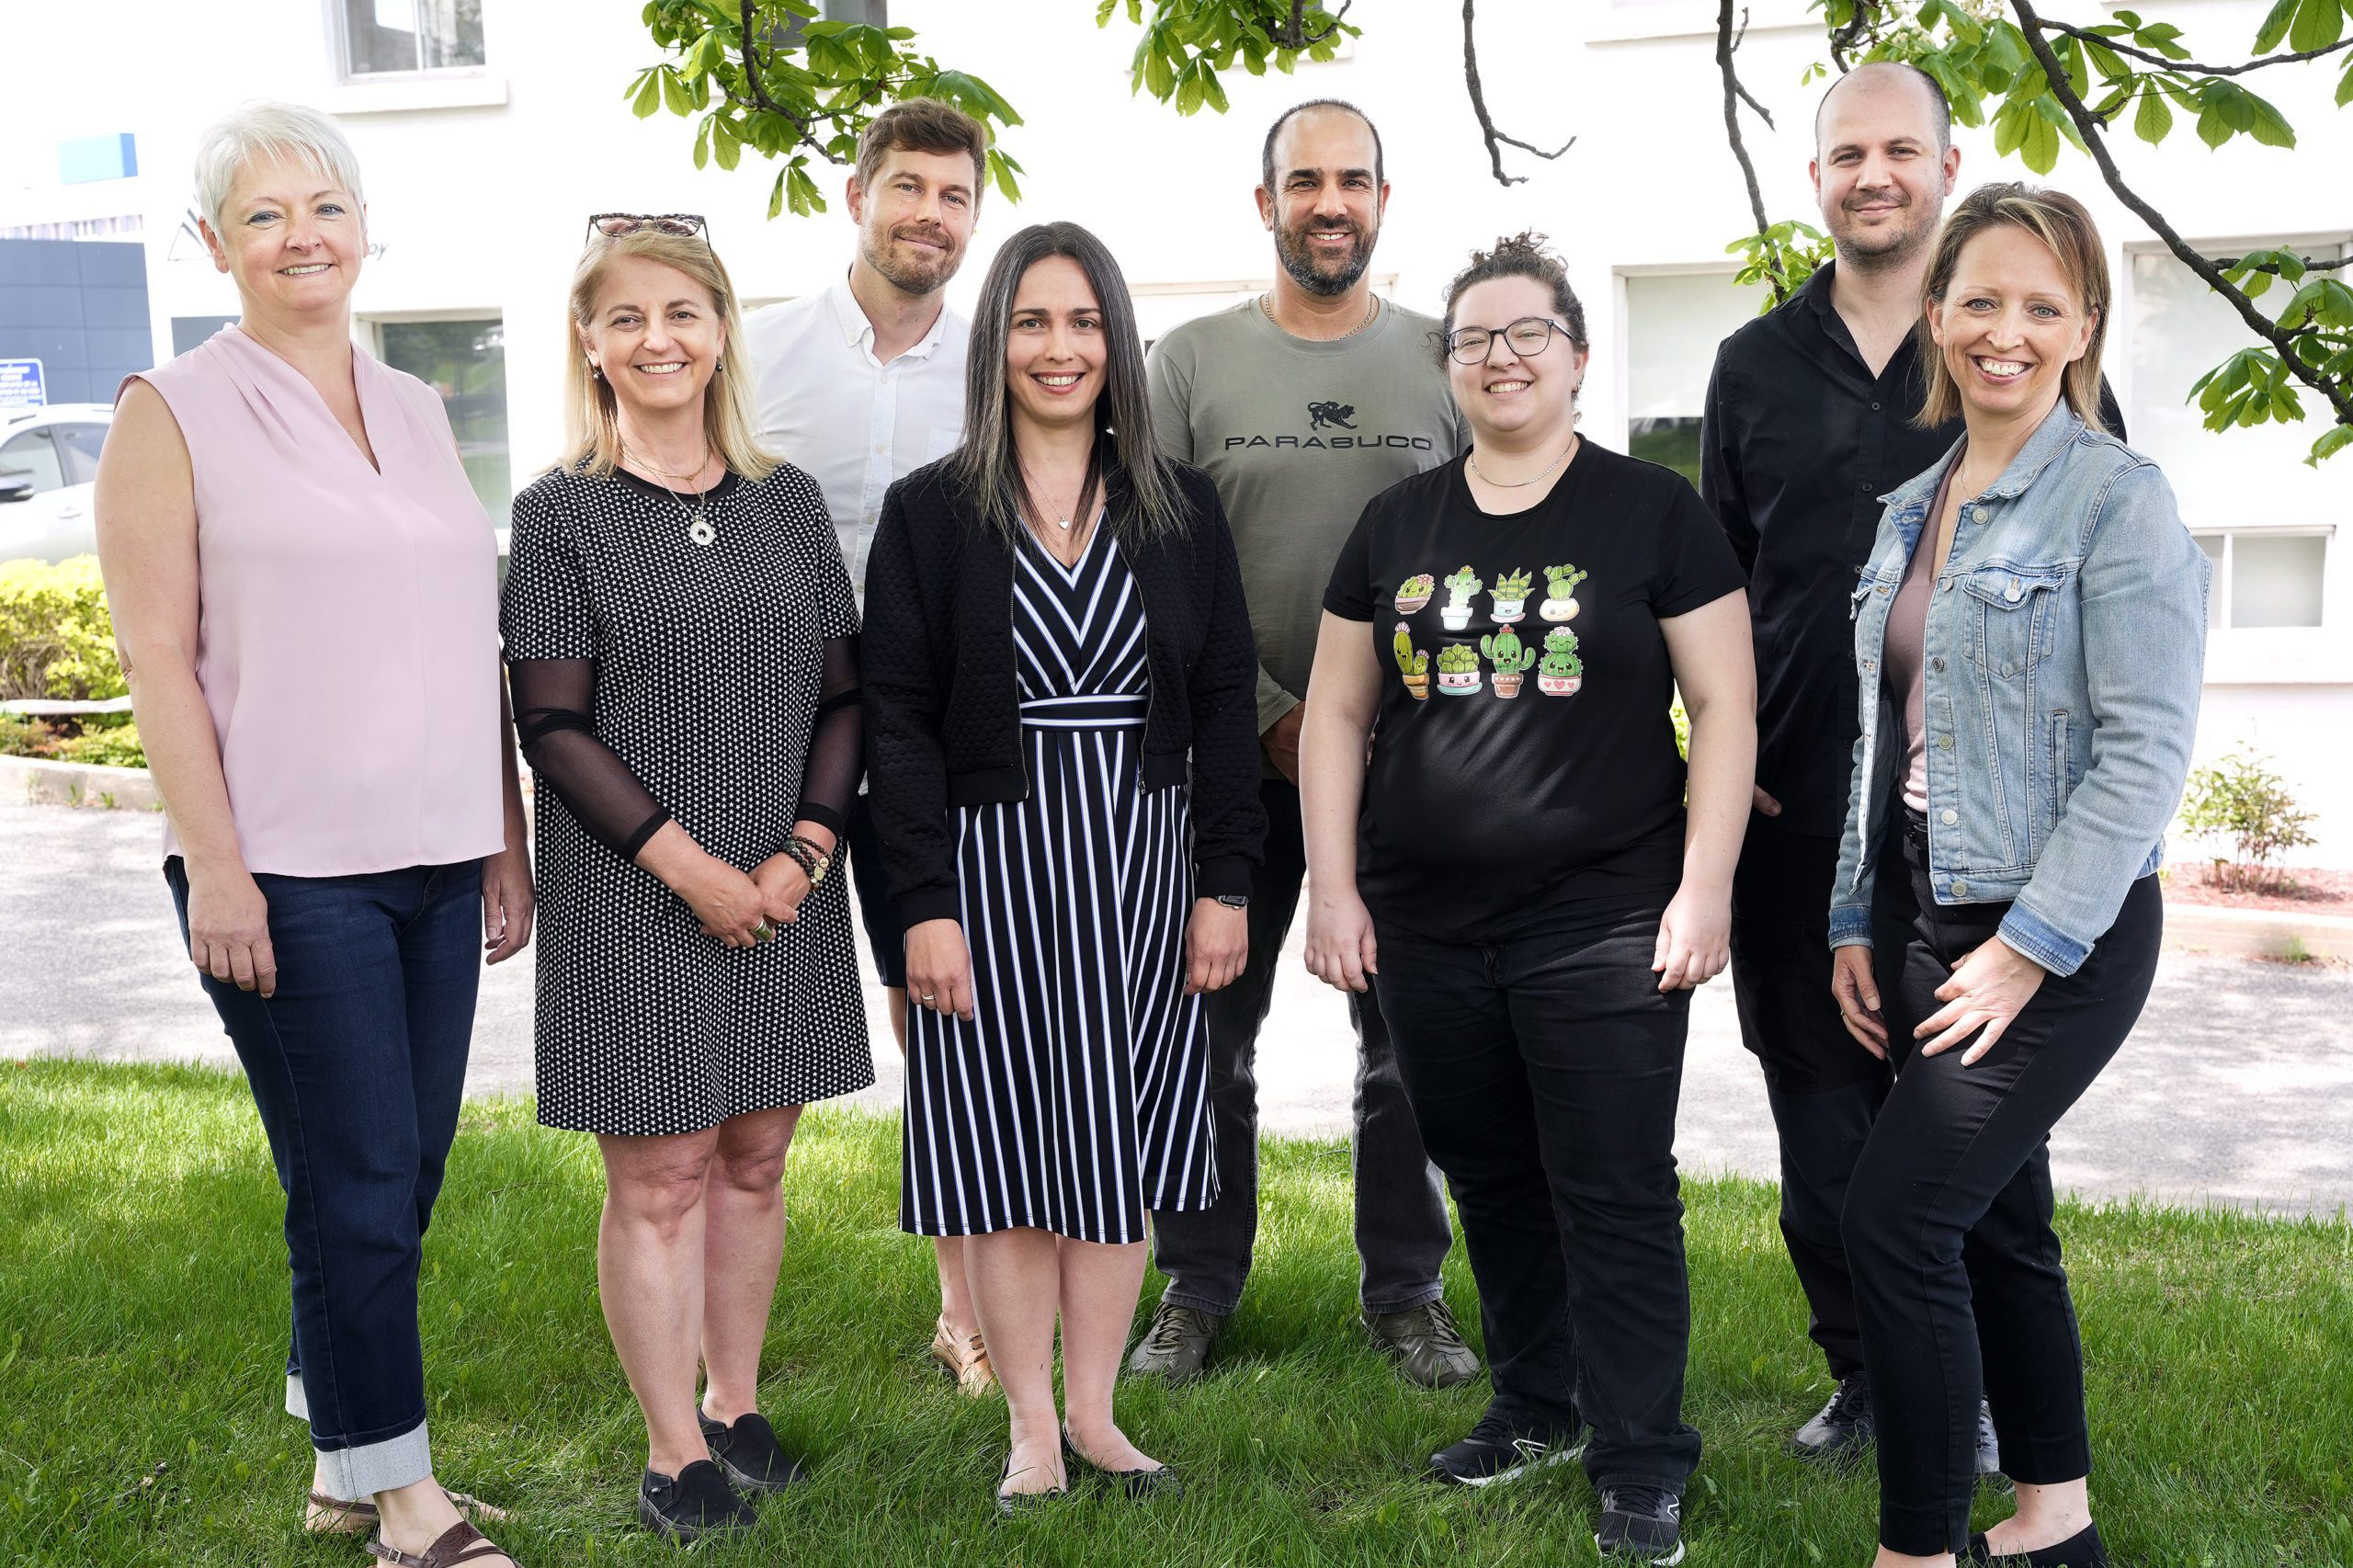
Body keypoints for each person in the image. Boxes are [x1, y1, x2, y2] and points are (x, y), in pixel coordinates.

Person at [93, 102, 529, 1568]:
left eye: (325, 207)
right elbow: (159, 657)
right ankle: (405, 1504)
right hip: (283, 864)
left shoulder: (411, 406)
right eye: (266, 214)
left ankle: (343, 1446)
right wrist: (217, 865)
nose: (303, 237)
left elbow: (464, 630)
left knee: (397, 1174)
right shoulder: (170, 408)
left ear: (362, 229)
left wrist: (502, 836)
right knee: (355, 1180)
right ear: (213, 241)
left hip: (433, 850)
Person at [1303, 233, 1755, 1564]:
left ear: (1575, 355)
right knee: (1490, 1175)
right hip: (1426, 921)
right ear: (1448, 369)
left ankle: (1640, 1457)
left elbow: (1724, 703)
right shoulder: (1398, 523)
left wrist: (1705, 883)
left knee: (1613, 1188)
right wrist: (1334, 886)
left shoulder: (1651, 514)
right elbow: (1336, 711)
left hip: (1605, 916)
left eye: (1526, 334)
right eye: (1474, 339)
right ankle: (1537, 1402)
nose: (1499, 357)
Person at [1699, 62, 2103, 1468]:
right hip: (1796, 808)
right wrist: (1715, 756)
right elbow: (1713, 589)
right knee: (1819, 1126)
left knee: (1970, 1119)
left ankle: (1984, 1388)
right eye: (1845, 153)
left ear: (1946, 164)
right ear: (1814, 177)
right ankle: (1868, 1370)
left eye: (1900, 151)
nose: (1873, 174)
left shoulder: (2004, 352)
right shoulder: (1751, 363)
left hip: (1969, 825)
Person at [1829, 184, 2205, 1568]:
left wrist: (2029, 944)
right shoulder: (1912, 506)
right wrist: (1855, 916)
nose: (2007, 330)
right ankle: (2054, 1520)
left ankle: (1917, 1550)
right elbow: (1883, 734)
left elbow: (2145, 754)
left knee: (1898, 1218)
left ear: (2083, 325)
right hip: (1927, 896)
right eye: (1980, 299)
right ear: (1937, 314)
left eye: (2042, 305)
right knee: (1995, 1219)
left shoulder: (2119, 501)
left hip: (2063, 921)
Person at [863, 221, 1265, 1509]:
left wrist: (1226, 881)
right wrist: (919, 907)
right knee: (1000, 1153)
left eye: (1083, 322)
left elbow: (1219, 704)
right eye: (1033, 321)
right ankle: (1029, 1424)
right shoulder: (932, 512)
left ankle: (1098, 1414)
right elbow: (898, 728)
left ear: (1116, 344)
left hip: (1140, 870)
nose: (1059, 347)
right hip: (987, 875)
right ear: (997, 341)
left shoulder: (1178, 504)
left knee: (1113, 1146)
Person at [499, 217, 870, 1543]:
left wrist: (802, 855)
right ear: (590, 347)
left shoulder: (785, 498)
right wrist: (697, 870)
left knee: (759, 1156)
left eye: (683, 313)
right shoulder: (558, 515)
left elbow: (845, 692)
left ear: (721, 332)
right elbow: (553, 726)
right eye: (626, 318)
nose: (658, 339)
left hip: (785, 887)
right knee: (659, 1171)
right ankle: (671, 1449)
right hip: (633, 890)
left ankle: (738, 1400)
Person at [1133, 96, 1472, 1389]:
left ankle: (1407, 1289)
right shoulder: (1190, 362)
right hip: (1230, 761)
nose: (1330, 200)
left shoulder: (1447, 354)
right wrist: (1277, 715)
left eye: (1354, 179)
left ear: (1385, 199)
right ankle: (1198, 1284)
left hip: (1414, 773)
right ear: (1263, 199)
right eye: (1304, 179)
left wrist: (1379, 723)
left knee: (1408, 1049)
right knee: (1212, 1033)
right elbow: (1154, 562)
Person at [745, 96, 995, 1397]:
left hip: (919, 738)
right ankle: (721, 1333)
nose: (929, 217)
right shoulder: (760, 350)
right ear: (857, 196)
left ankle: (963, 1311)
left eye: (954, 198)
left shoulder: (993, 369)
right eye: (908, 188)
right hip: (759, 731)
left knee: (935, 1010)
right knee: (740, 1029)